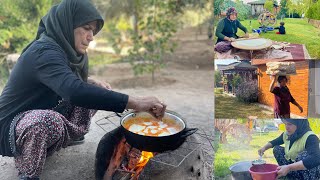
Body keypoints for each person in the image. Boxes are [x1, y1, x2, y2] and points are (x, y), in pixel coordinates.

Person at [0, 0, 166, 179]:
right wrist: (137, 102)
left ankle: (65, 137)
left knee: (96, 92)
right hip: (10, 126)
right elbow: (73, 90)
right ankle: (28, 172)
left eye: (93, 31)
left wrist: (91, 81)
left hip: (38, 112)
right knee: (48, 120)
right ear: (67, 24)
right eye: (86, 28)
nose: (91, 36)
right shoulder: (43, 51)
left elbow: (65, 77)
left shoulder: (69, 52)